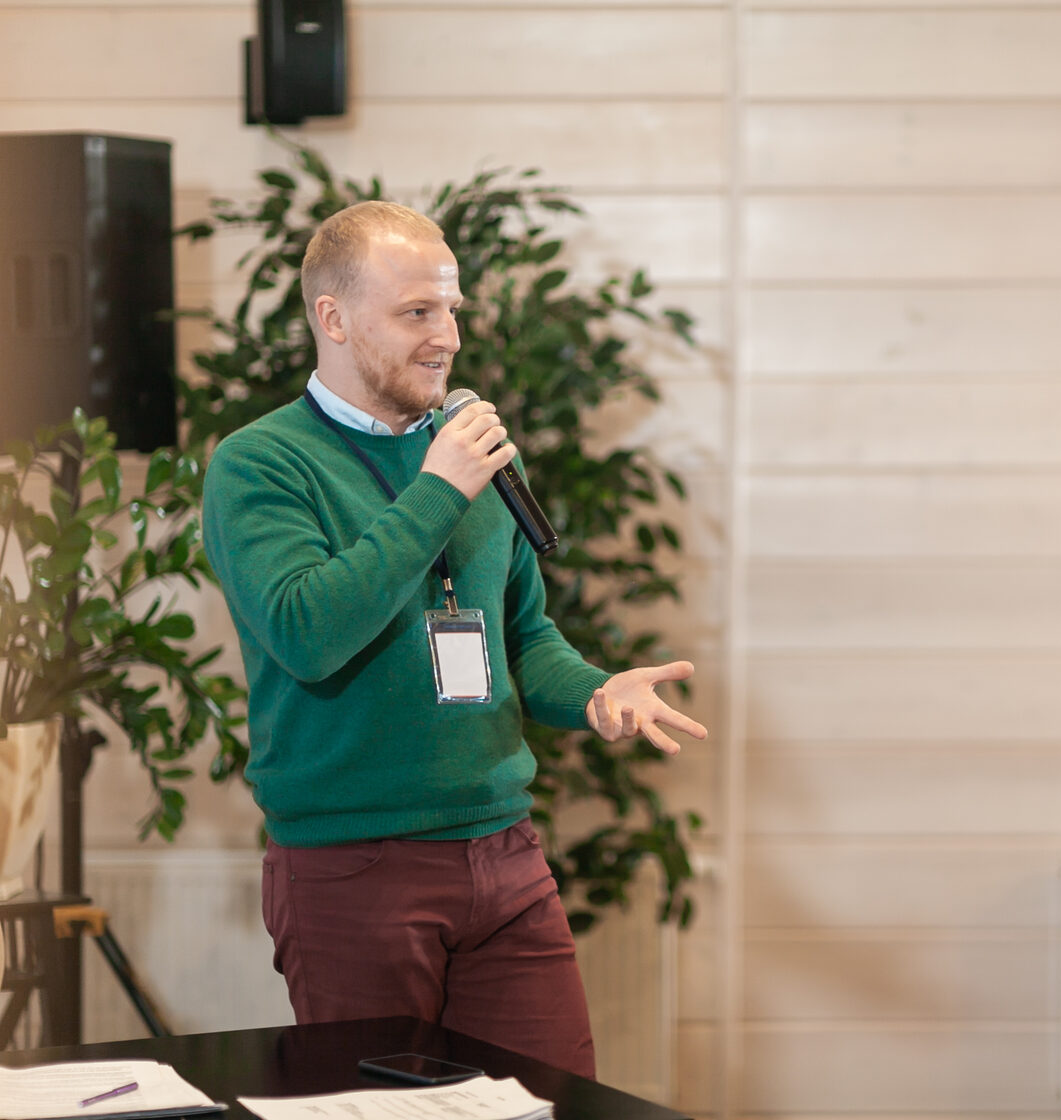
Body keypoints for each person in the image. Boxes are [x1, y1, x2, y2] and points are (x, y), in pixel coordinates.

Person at [201, 200, 708, 1077]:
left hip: (504, 852)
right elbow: (307, 631)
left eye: (452, 309)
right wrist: (438, 490)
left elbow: (524, 637)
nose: (448, 337)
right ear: (333, 319)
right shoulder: (261, 462)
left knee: (550, 1100)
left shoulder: (474, 454)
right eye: (416, 312)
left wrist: (594, 691)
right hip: (354, 867)